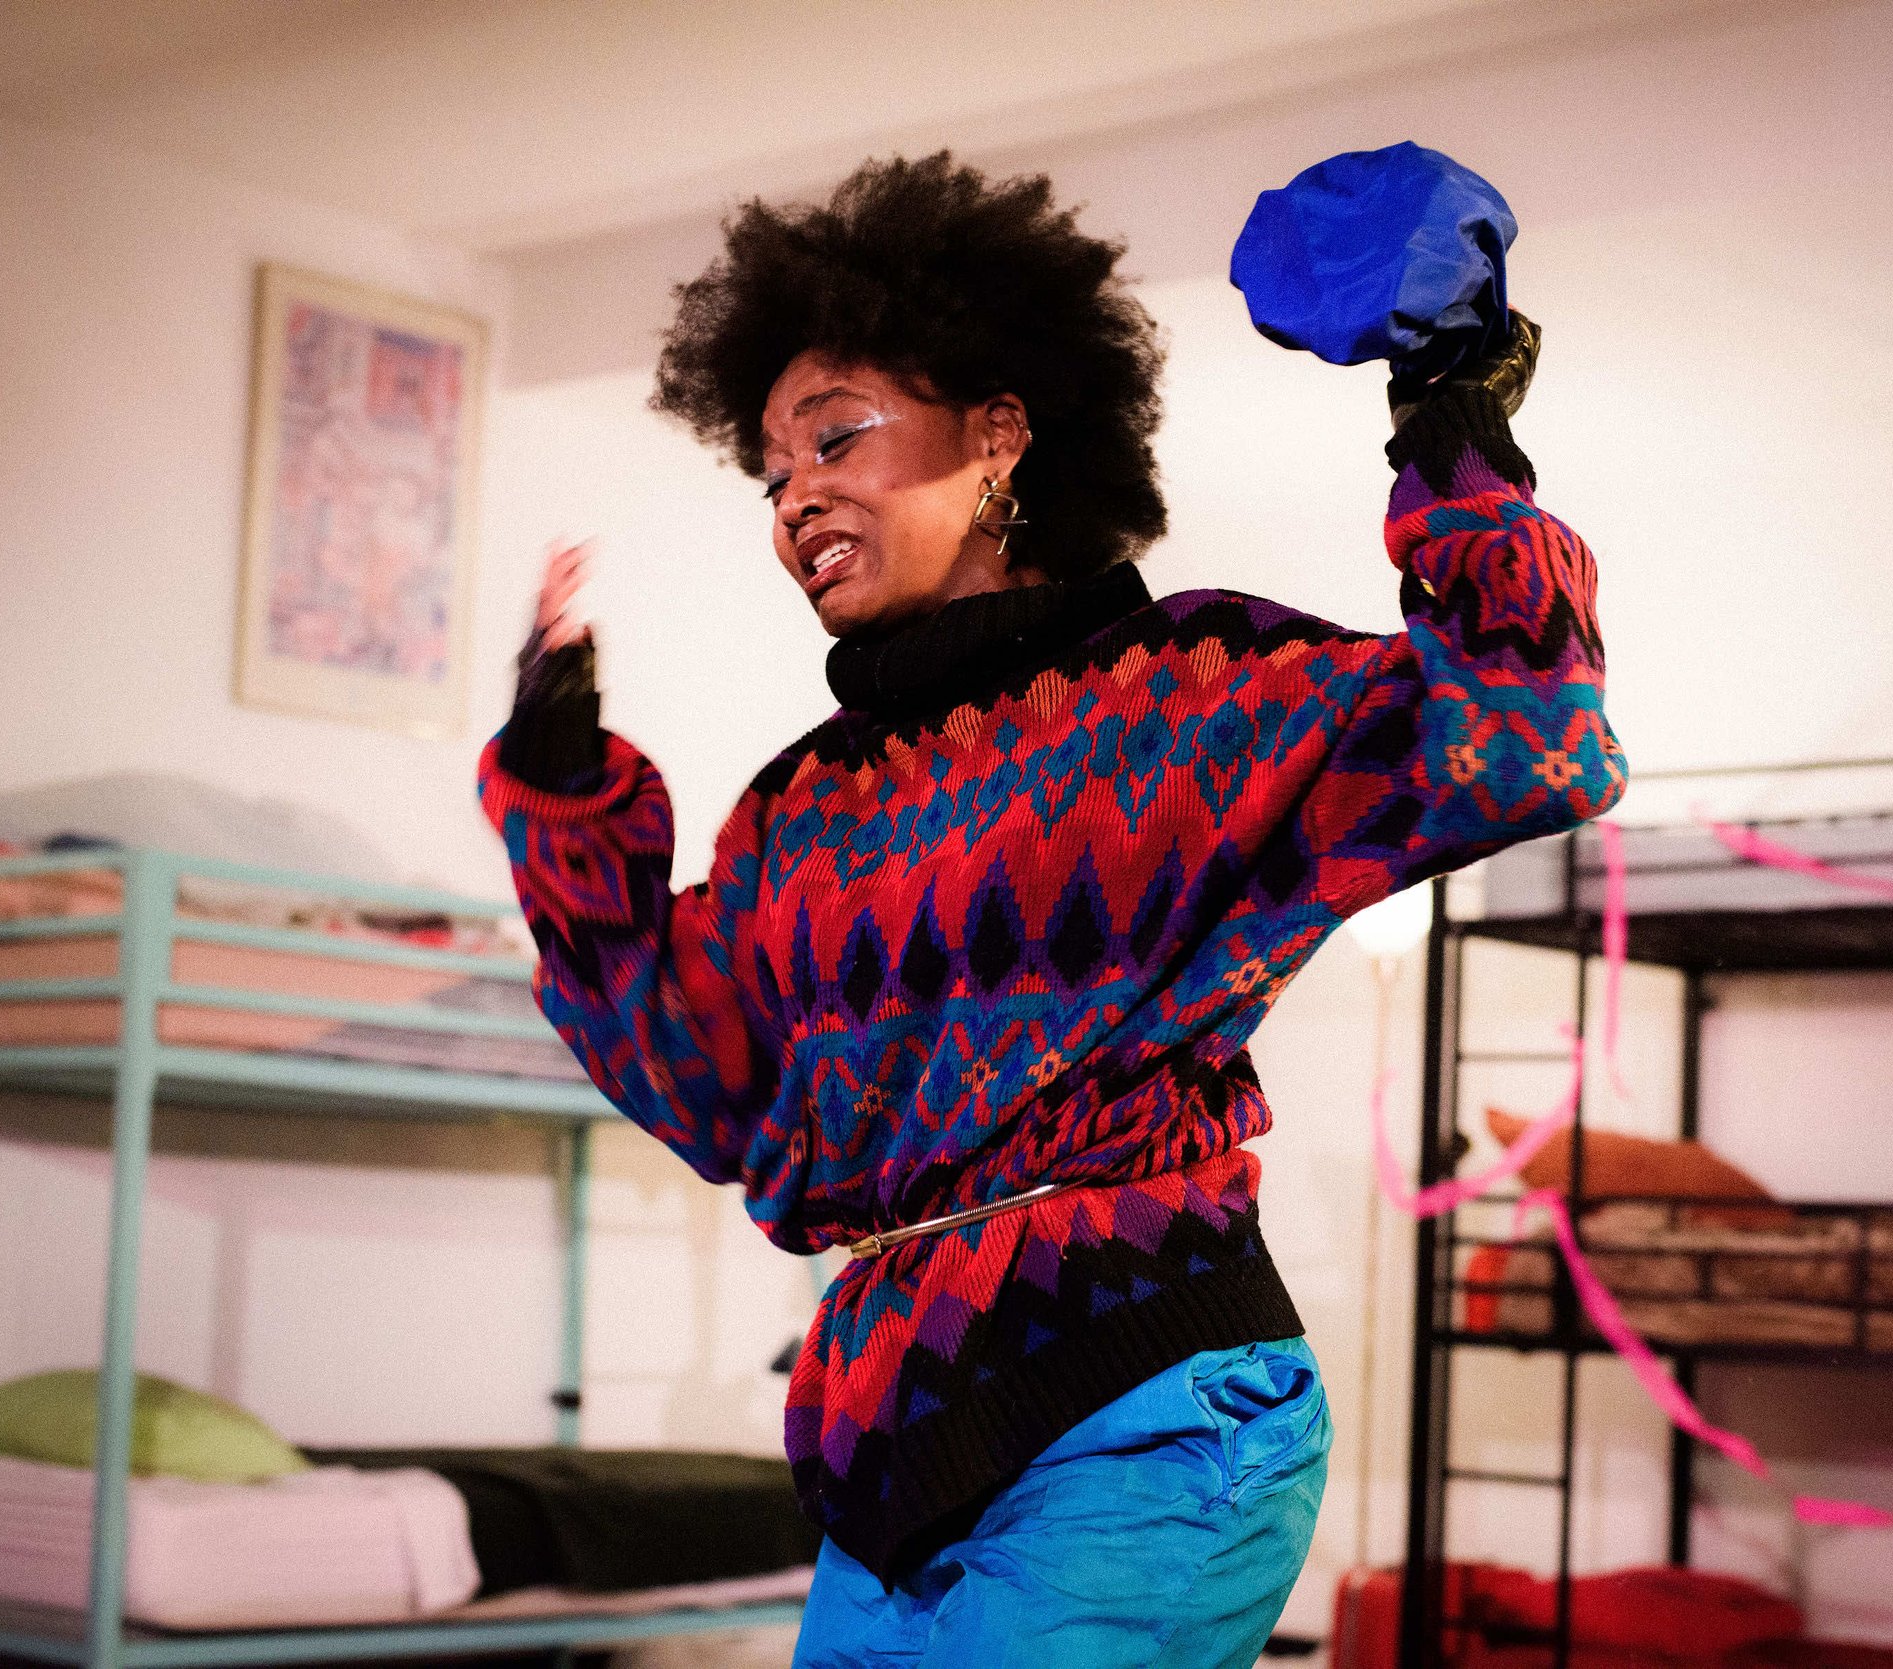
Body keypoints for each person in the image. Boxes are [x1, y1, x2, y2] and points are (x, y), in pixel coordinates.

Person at [479, 152, 1623, 1668]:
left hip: (1144, 1416)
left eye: (838, 435)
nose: (797, 494)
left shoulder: (1197, 692)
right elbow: (703, 1089)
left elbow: (1529, 736)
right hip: (891, 1458)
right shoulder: (798, 807)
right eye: (773, 472)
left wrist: (1453, 420)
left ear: (1000, 434)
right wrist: (563, 791)